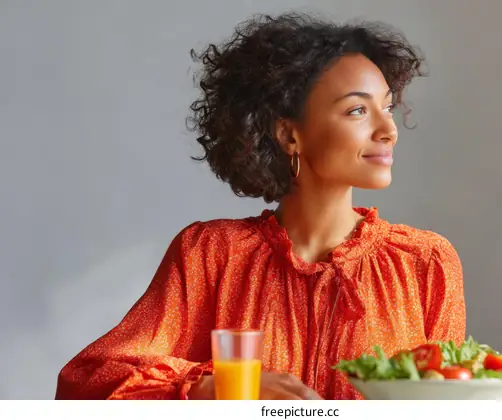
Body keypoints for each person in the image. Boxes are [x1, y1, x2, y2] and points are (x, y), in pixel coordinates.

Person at [55, 12, 466, 400]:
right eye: (358, 110)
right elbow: (88, 382)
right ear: (289, 134)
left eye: (388, 107)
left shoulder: (425, 263)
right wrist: (218, 389)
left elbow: (451, 399)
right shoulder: (211, 255)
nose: (388, 130)